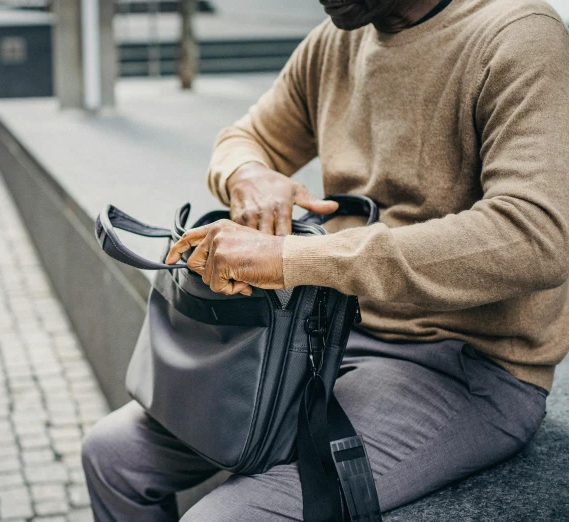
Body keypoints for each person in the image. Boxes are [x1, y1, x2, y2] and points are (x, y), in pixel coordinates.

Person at [82, 0, 569, 519]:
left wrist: (293, 257)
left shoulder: (519, 36)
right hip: (326, 337)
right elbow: (244, 139)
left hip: (465, 366)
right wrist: (247, 174)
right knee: (113, 457)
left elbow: (536, 234)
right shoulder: (336, 40)